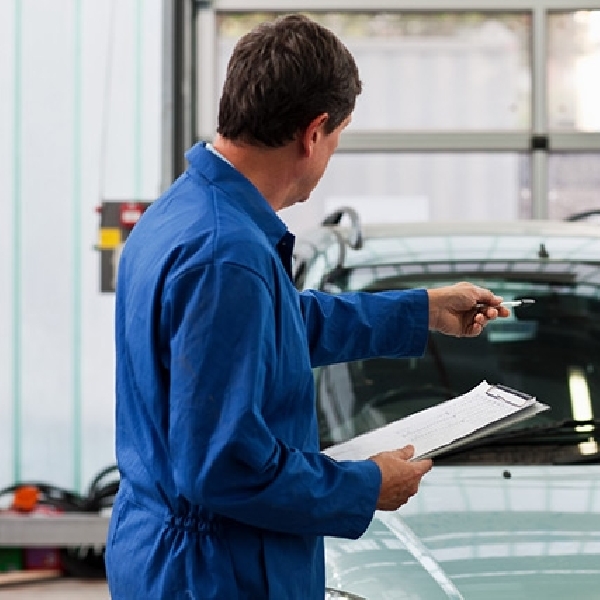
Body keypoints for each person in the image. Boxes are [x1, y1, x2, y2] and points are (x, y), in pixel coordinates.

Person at [105, 13, 509, 600]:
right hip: (218, 571)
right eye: (339, 137)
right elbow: (224, 465)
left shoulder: (185, 214)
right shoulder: (228, 256)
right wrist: (364, 487)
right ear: (313, 132)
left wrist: (419, 309)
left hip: (172, 552)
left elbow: (278, 327)